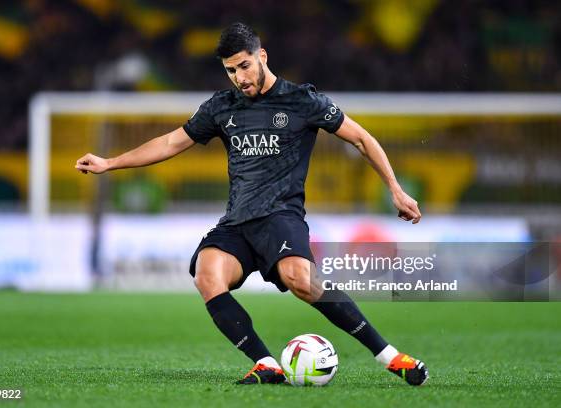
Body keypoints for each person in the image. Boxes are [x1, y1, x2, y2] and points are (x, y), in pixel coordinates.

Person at [75, 22, 428, 386]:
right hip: (237, 221)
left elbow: (361, 139)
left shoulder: (302, 100)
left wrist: (396, 190)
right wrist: (109, 162)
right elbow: (169, 143)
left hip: (280, 216)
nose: (239, 77)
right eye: (230, 70)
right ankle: (266, 364)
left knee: (300, 280)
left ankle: (390, 357)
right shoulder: (221, 107)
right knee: (207, 275)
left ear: (262, 57)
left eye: (244, 66)